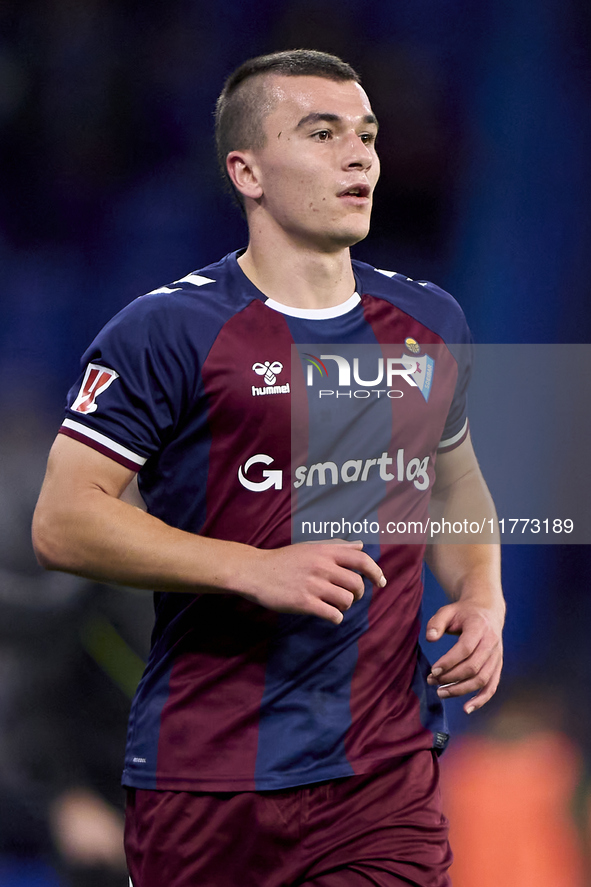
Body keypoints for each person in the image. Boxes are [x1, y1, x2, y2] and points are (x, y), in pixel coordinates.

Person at [32, 49, 505, 887]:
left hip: (380, 776)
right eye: (322, 133)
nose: (358, 155)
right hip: (205, 782)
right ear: (244, 170)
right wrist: (253, 568)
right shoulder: (166, 329)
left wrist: (480, 592)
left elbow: (456, 479)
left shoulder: (431, 318)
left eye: (365, 134)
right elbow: (64, 520)